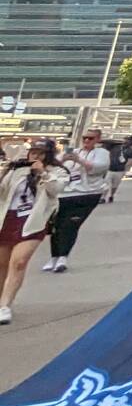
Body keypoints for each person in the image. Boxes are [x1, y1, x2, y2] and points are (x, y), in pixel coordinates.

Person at [1, 139, 67, 324]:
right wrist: (8, 168)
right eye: (34, 152)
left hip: (33, 221)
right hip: (8, 219)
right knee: (2, 264)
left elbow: (56, 190)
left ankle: (5, 305)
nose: (36, 156)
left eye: (41, 153)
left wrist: (42, 173)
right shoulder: (17, 169)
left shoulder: (57, 172)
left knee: (19, 262)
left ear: (49, 155)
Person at [46, 127, 111, 274]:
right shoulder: (73, 152)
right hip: (65, 194)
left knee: (70, 225)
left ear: (98, 140)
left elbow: (98, 168)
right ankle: (54, 257)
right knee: (56, 226)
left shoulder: (101, 153)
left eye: (91, 138)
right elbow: (52, 168)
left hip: (87, 194)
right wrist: (63, 159)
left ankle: (63, 257)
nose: (86, 141)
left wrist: (79, 160)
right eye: (84, 138)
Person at [103, 133, 132, 202]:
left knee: (115, 185)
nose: (126, 141)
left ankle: (111, 195)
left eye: (129, 140)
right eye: (126, 139)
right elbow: (106, 143)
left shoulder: (131, 150)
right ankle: (103, 198)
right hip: (110, 169)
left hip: (120, 170)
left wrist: (124, 166)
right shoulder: (115, 146)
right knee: (106, 183)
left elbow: (131, 160)